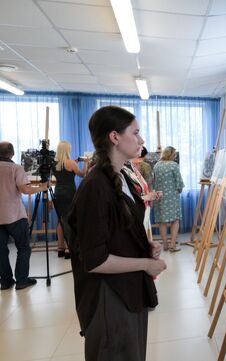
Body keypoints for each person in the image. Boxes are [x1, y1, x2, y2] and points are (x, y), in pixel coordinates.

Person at [68, 106, 166, 361]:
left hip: (127, 291)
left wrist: (146, 246)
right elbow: (96, 259)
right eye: (135, 133)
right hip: (109, 298)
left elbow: (119, 231)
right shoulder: (95, 187)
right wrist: (145, 263)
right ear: (114, 137)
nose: (141, 140)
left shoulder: (121, 176)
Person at [0, 141, 48, 290]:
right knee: (23, 247)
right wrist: (43, 187)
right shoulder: (15, 168)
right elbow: (25, 190)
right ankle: (21, 280)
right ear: (13, 153)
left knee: (1, 250)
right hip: (14, 215)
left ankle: (5, 281)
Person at [53, 140, 88, 258]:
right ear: (67, 150)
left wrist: (77, 160)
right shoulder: (71, 164)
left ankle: (60, 248)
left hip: (58, 192)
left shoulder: (54, 163)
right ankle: (69, 249)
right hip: (69, 193)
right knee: (69, 220)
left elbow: (64, 166)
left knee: (60, 219)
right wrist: (86, 163)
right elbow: (82, 174)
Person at [153, 146, 184, 252]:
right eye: (174, 155)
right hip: (172, 197)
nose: (175, 157)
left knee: (162, 221)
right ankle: (172, 245)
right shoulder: (173, 165)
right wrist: (179, 189)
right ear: (170, 155)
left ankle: (165, 244)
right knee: (175, 220)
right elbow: (179, 181)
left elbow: (155, 181)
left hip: (160, 197)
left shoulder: (157, 165)